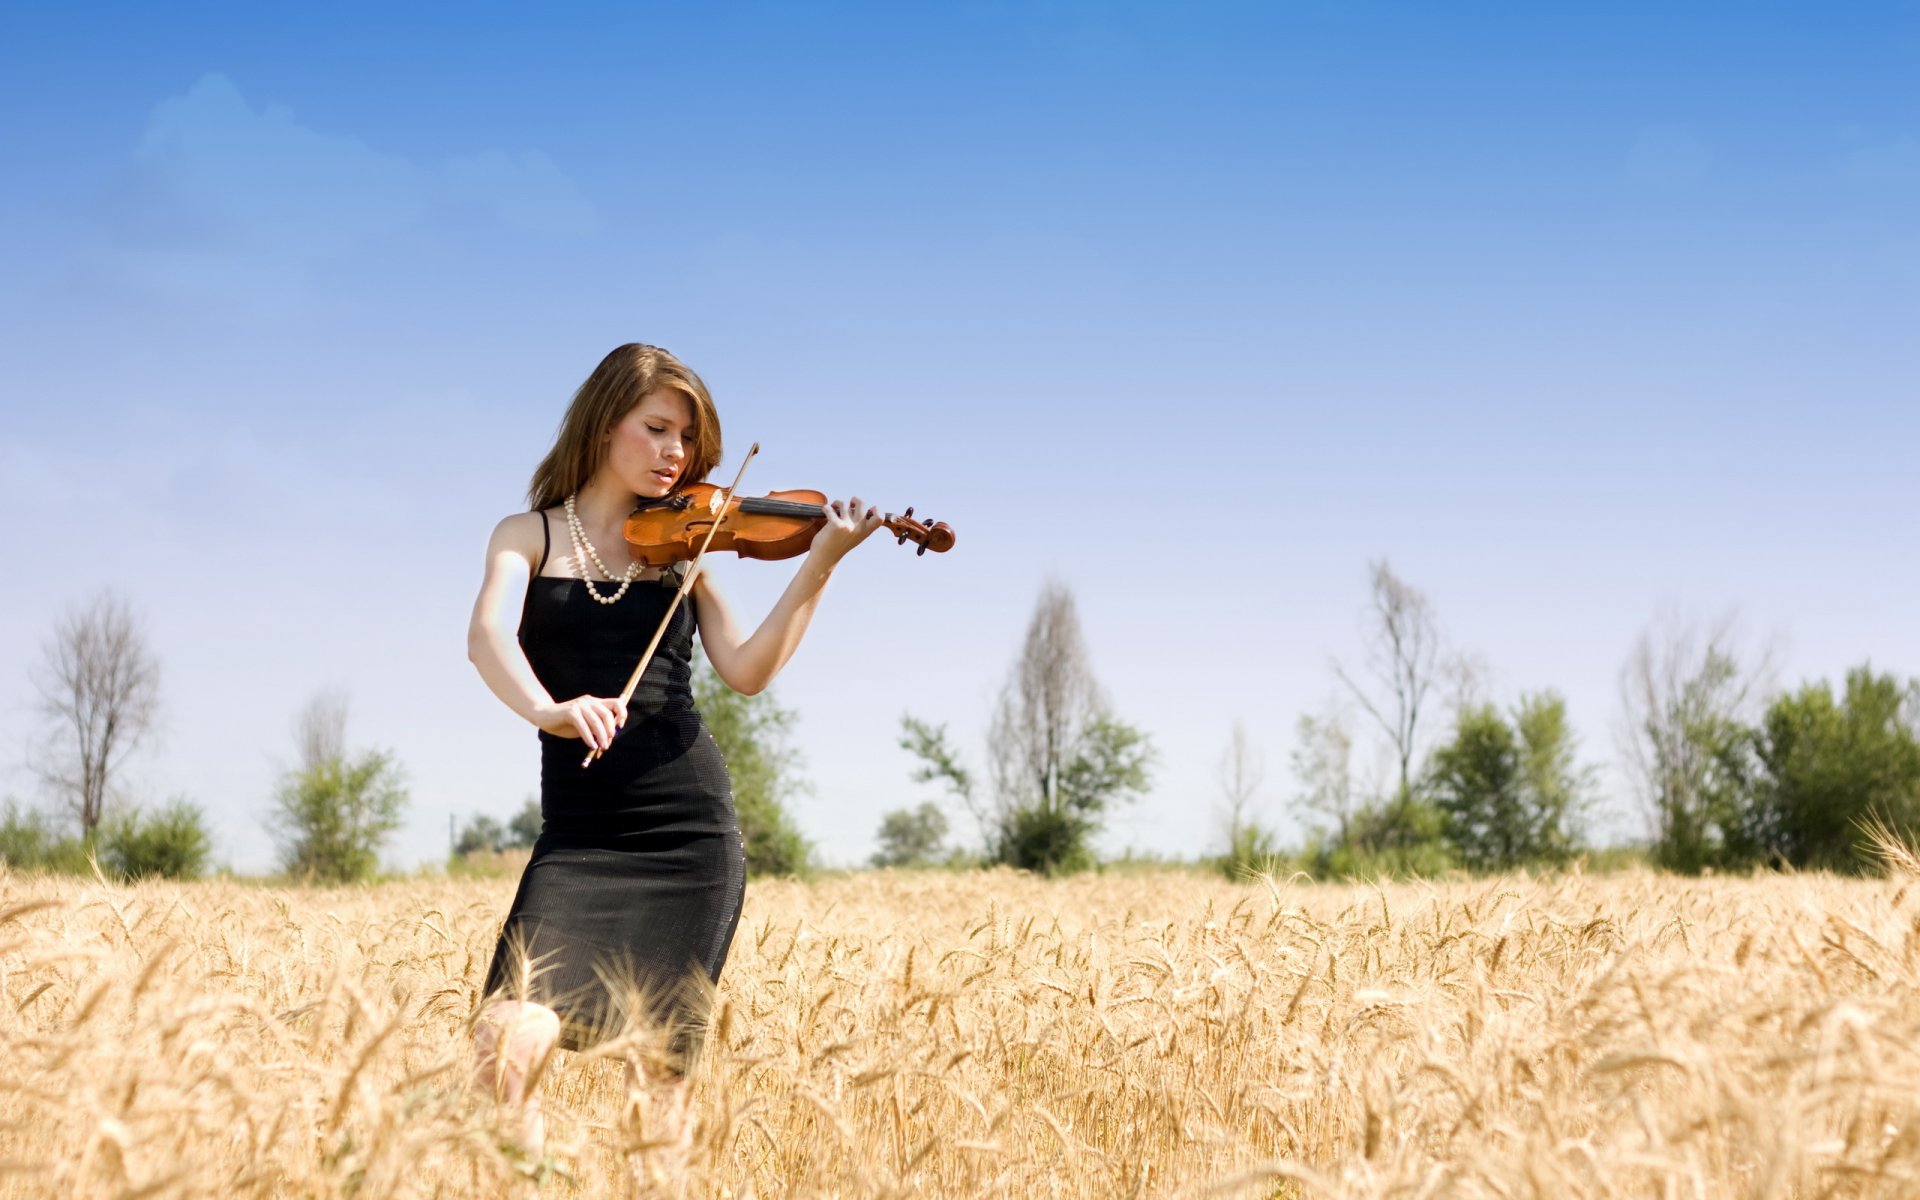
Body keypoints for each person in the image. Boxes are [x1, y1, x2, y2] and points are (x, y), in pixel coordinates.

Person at [465, 342, 883, 1153]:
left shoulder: (688, 549)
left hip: (686, 835)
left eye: (687, 441)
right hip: (580, 837)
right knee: (502, 1040)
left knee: (659, 1075)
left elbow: (748, 670)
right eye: (657, 429)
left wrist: (820, 565)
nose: (675, 455)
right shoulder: (527, 535)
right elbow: (486, 637)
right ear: (603, 423)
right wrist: (549, 710)